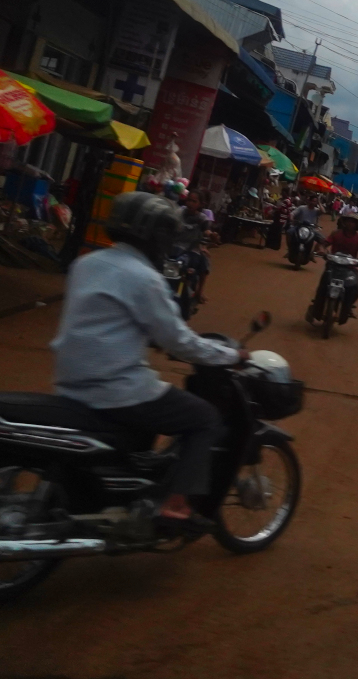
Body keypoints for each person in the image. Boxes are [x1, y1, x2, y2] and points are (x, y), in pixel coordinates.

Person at [50, 192, 247, 534]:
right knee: (203, 418)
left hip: (70, 384)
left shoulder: (87, 263)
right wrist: (231, 355)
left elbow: (106, 319)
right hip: (118, 390)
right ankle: (177, 504)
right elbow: (179, 340)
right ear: (155, 236)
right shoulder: (144, 278)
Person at [306, 213, 358, 322]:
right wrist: (321, 250)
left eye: (353, 222)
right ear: (344, 222)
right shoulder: (336, 234)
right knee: (323, 283)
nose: (350, 224)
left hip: (350, 267)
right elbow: (324, 244)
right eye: (349, 221)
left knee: (357, 287)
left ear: (357, 225)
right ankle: (317, 303)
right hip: (333, 265)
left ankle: (348, 306)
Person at [171, 190, 213, 305]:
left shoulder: (203, 218)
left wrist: (211, 236)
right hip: (175, 247)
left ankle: (199, 292)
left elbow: (207, 231)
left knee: (204, 262)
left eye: (194, 201)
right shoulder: (179, 212)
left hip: (192, 250)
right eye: (189, 200)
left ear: (200, 204)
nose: (190, 203)